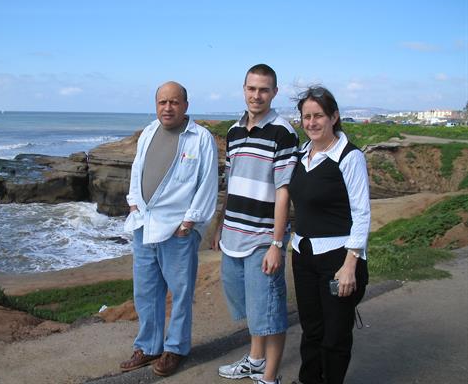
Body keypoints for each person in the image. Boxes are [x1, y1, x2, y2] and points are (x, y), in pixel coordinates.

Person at [120, 81, 218, 377]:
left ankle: (175, 348)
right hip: (144, 226)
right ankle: (149, 347)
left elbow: (208, 183)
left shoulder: (200, 138)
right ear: (156, 104)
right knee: (146, 291)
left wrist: (189, 222)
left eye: (174, 102)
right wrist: (133, 203)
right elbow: (137, 170)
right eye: (162, 102)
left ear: (186, 105)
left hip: (178, 231)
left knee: (181, 292)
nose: (167, 107)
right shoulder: (149, 132)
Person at [212, 64, 299, 384]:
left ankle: (270, 377)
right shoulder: (234, 132)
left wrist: (278, 243)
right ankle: (255, 359)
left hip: (263, 238)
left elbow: (284, 190)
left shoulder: (283, 131)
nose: (257, 95)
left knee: (271, 312)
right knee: (253, 307)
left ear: (274, 92)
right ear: (244, 89)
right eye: (251, 88)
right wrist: (219, 226)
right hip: (233, 233)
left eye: (264, 89)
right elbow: (230, 183)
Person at [288, 86, 370, 384]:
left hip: (338, 259)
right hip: (302, 255)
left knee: (335, 335)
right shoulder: (300, 156)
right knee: (311, 329)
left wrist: (351, 265)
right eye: (306, 117)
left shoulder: (349, 157)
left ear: (334, 117)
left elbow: (362, 214)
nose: (311, 122)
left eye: (318, 115)